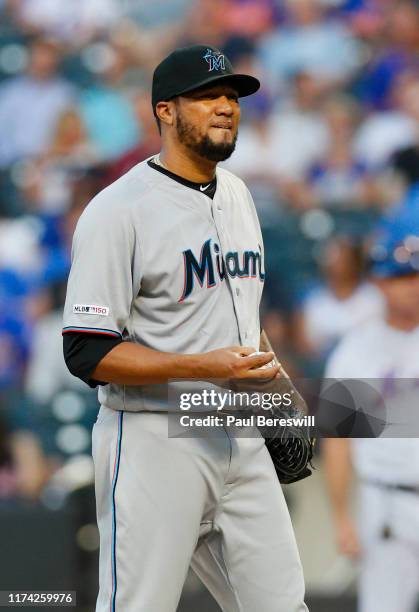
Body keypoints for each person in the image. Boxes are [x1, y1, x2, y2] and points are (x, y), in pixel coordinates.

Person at [62, 45, 308, 612]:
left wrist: (282, 397)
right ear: (165, 111)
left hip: (239, 431)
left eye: (232, 96)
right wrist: (204, 366)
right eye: (206, 96)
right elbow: (86, 352)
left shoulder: (241, 195)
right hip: (154, 437)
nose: (225, 106)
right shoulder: (118, 209)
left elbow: (243, 319)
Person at [322, 204, 419, 612]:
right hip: (387, 505)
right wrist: (342, 517)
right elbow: (338, 441)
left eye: (416, 276)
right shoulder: (355, 350)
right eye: (400, 278)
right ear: (378, 282)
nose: (411, 286)